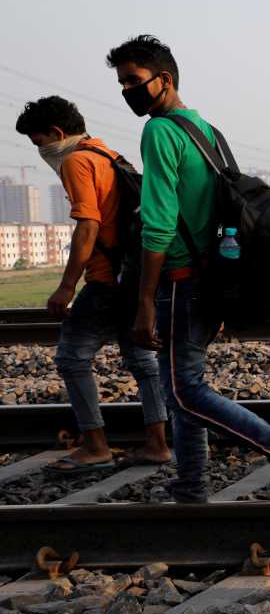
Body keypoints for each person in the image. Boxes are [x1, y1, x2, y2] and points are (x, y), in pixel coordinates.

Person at [106, 35, 270, 503]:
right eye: (121, 82)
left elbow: (158, 225)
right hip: (209, 282)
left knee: (186, 392)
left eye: (132, 81)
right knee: (185, 387)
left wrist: (144, 300)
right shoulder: (206, 131)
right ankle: (191, 483)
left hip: (179, 284)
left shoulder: (160, 132)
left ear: (163, 81)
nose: (126, 90)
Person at [13, 96, 170, 473]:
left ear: (56, 133)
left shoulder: (76, 161)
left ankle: (95, 445)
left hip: (104, 279)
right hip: (131, 275)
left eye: (39, 143)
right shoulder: (108, 155)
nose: (41, 151)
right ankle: (158, 444)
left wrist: (67, 286)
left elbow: (88, 225)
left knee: (71, 357)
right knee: (142, 361)